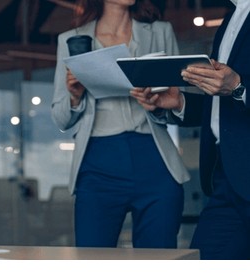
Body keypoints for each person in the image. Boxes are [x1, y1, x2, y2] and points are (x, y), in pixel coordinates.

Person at [52, 0, 190, 248]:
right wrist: (74, 96)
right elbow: (61, 119)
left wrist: (158, 104)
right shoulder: (70, 40)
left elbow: (175, 104)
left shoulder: (161, 32)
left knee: (159, 265)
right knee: (92, 263)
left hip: (155, 161)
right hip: (98, 165)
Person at [131, 0, 249, 259]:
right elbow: (224, 105)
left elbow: (235, 89)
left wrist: (240, 86)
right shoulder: (231, 19)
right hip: (226, 179)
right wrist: (180, 102)